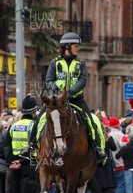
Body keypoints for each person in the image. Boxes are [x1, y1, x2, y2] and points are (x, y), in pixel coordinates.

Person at [32, 32, 107, 164]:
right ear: (67, 47)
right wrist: (56, 90)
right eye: (76, 46)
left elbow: (83, 81)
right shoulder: (54, 63)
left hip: (75, 98)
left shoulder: (81, 63)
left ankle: (97, 148)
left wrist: (70, 93)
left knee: (90, 120)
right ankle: (30, 146)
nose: (78, 49)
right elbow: (49, 79)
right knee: (39, 119)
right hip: (57, 100)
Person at [4, 96, 39, 193]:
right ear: (34, 111)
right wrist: (22, 161)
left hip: (13, 165)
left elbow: (6, 146)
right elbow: (34, 146)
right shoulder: (34, 126)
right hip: (28, 164)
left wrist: (12, 161)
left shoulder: (13, 126)